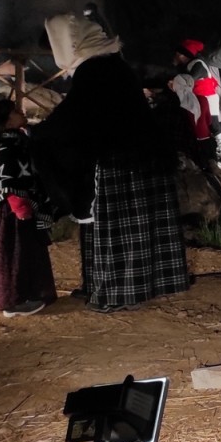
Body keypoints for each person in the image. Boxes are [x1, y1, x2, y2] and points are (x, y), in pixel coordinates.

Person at [31, 54, 190, 312]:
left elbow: (52, 136)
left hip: (109, 177)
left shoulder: (83, 108)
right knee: (137, 234)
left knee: (111, 236)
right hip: (140, 173)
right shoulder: (136, 110)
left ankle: (114, 293)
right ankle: (115, 287)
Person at [0, 98, 56, 318]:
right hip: (11, 212)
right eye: (15, 111)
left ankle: (11, 297)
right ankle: (15, 301)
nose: (21, 112)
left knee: (8, 254)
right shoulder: (10, 146)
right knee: (15, 255)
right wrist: (22, 208)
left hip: (2, 212)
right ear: (5, 122)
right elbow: (9, 181)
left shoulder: (5, 144)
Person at [174, 39, 221, 170]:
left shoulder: (198, 64)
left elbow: (190, 80)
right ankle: (217, 153)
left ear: (185, 54)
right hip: (201, 99)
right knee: (209, 125)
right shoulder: (191, 64)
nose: (177, 56)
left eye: (179, 53)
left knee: (214, 125)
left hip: (207, 98)